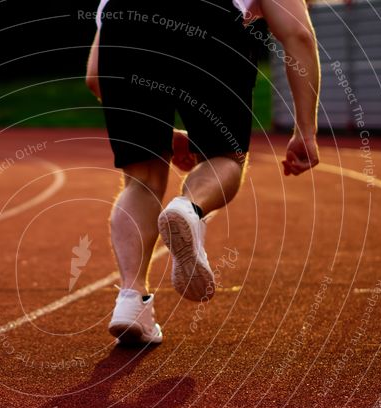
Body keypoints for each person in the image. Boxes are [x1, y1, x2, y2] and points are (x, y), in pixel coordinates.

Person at [86, 0, 320, 345]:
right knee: (225, 157)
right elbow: (297, 34)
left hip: (125, 25)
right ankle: (189, 207)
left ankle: (131, 300)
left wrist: (159, 137)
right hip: (208, 20)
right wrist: (306, 130)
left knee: (142, 180)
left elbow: (94, 76)